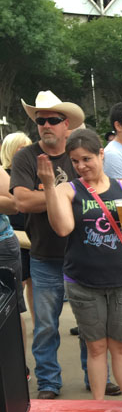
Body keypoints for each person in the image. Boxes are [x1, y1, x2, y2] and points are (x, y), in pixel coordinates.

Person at [37, 129, 122, 401]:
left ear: (101, 154)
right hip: (83, 282)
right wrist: (49, 186)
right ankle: (98, 409)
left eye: (86, 159)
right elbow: (63, 228)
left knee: (121, 347)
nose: (81, 166)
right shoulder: (68, 189)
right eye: (75, 161)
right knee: (96, 348)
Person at [10, 90, 85, 399]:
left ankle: (98, 376)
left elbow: (94, 193)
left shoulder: (79, 153)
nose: (46, 126)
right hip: (43, 255)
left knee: (90, 325)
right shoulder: (26, 157)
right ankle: (48, 382)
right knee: (45, 327)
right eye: (41, 121)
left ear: (67, 124)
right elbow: (22, 201)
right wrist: (65, 195)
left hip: (83, 254)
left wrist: (50, 194)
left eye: (53, 120)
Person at [1, 132, 34, 326]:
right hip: (17, 236)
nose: (24, 152)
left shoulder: (31, 172)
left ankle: (37, 326)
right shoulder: (7, 171)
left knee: (30, 287)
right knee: (20, 285)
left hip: (25, 237)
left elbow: (14, 204)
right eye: (20, 148)